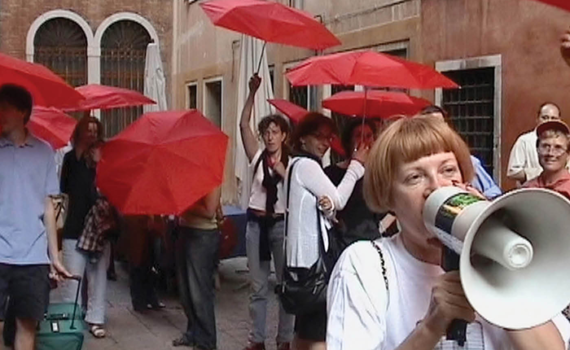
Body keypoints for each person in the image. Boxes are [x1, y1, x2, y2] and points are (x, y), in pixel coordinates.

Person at [326, 116, 570, 350]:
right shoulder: (365, 265)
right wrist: (430, 330)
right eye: (415, 177)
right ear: (388, 198)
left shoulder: (499, 256)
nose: (436, 186)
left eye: (448, 170)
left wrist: (494, 257)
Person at [285, 113, 367, 350]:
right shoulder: (307, 165)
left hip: (302, 261)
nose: (325, 143)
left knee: (305, 331)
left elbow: (320, 207)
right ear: (303, 139)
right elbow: (339, 199)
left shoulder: (295, 165)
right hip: (313, 264)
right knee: (318, 334)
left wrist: (328, 211)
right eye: (318, 137)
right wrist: (356, 165)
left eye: (329, 137)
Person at [0, 84, 71, 350]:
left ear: (22, 112)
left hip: (32, 255)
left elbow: (49, 206)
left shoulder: (44, 152)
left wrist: (55, 256)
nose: (0, 113)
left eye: (5, 108)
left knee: (26, 325)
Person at [240, 74, 294, 350]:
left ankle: (284, 339)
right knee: (257, 287)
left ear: (284, 135)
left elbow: (298, 193)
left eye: (275, 132)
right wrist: (252, 93)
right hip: (256, 225)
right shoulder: (257, 156)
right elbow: (242, 124)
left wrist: (283, 171)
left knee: (285, 285)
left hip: (281, 226)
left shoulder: (293, 164)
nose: (270, 136)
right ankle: (256, 340)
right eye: (267, 132)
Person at [59, 116, 109, 338]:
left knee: (98, 276)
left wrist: (100, 165)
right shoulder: (69, 159)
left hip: (99, 227)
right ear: (79, 133)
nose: (91, 134)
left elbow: (108, 190)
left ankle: (95, 319)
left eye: (95, 131)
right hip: (74, 226)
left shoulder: (104, 159)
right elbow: (63, 191)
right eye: (87, 130)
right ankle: (71, 318)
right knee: (73, 278)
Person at [324, 119, 396, 246]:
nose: (364, 141)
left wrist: (380, 229)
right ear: (349, 141)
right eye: (358, 136)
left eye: (369, 136)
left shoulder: (377, 174)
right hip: (341, 242)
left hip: (370, 241)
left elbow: (392, 207)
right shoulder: (332, 173)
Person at [173, 187, 222, 350]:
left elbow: (209, 210)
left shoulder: (211, 176)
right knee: (185, 290)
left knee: (199, 292)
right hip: (185, 229)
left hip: (203, 235)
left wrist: (183, 205)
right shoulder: (187, 175)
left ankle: (207, 341)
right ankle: (193, 332)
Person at [507, 102, 562, 185]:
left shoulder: (564, 142)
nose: (549, 122)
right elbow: (512, 172)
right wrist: (536, 173)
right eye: (545, 118)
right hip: (531, 192)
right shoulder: (524, 141)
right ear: (537, 119)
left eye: (553, 118)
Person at [523, 120, 570, 198]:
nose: (550, 153)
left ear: (568, 154)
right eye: (545, 146)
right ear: (537, 150)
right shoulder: (527, 189)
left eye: (558, 148)